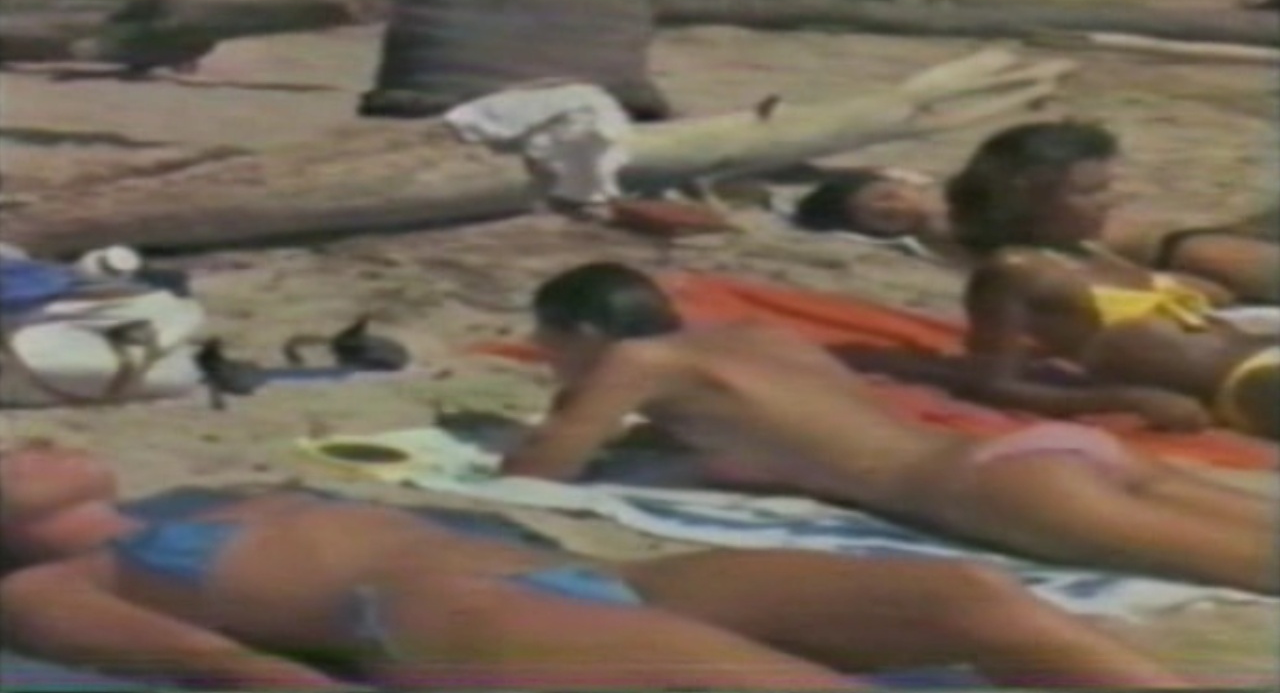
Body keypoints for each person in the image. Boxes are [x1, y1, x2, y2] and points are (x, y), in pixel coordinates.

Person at [0, 445, 1189, 690]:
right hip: (439, 619)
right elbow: (233, 669)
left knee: (965, 599)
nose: (32, 442)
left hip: (606, 578)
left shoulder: (207, 496)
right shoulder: (46, 592)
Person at [501, 262, 1275, 596]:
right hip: (1028, 455)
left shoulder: (637, 360)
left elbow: (543, 472)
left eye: (550, 347)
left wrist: (564, 415)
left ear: (581, 333)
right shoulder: (751, 339)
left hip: (986, 489)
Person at [946, 122, 1278, 439]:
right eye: (1089, 192)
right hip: (1246, 382)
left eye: (1106, 188)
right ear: (1028, 196)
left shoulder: (1093, 255)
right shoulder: (1015, 270)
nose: (1109, 200)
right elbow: (993, 385)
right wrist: (1132, 399)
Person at [792, 160, 1280, 305]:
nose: (893, 207)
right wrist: (1158, 284)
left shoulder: (955, 202)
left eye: (885, 195)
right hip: (1169, 256)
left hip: (1179, 244)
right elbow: (1067, 257)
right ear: (874, 233)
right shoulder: (950, 229)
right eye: (878, 215)